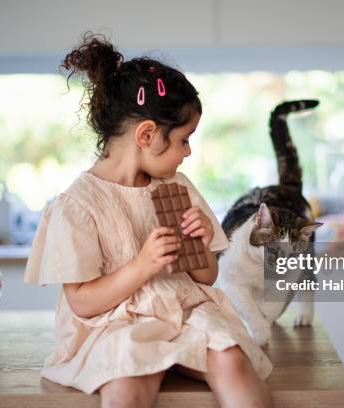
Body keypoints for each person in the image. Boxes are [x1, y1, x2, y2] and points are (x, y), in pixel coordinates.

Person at [23, 33, 273, 408]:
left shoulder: (178, 186)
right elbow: (83, 302)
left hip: (186, 311)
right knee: (127, 380)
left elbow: (206, 277)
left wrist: (202, 246)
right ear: (147, 135)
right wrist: (143, 265)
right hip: (115, 323)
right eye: (184, 140)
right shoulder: (78, 205)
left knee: (231, 357)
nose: (188, 152)